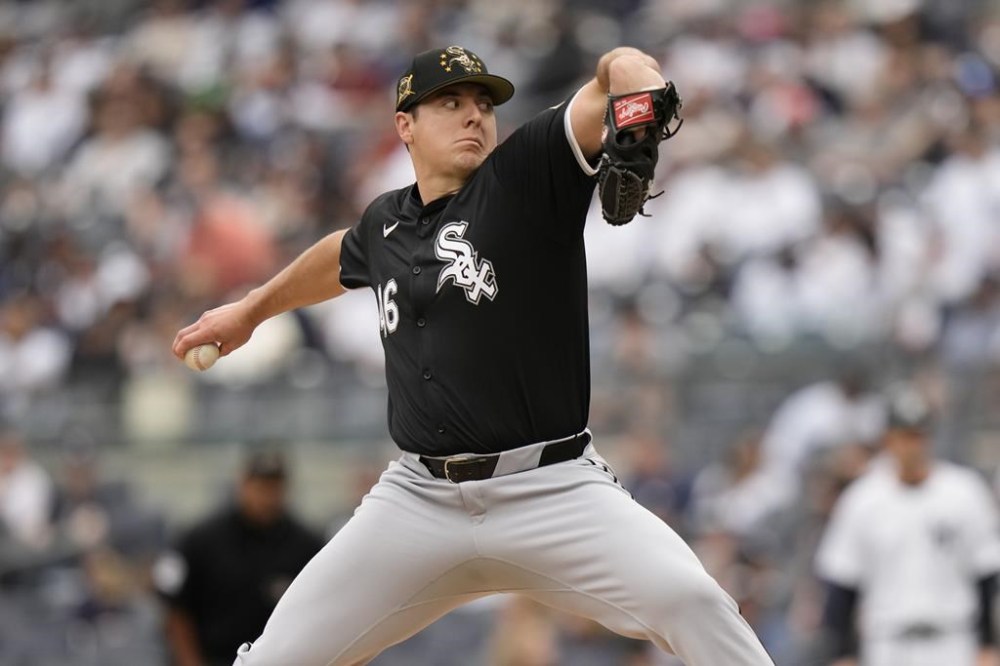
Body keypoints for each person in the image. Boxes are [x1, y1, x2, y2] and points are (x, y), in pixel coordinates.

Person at [173, 44, 774, 665]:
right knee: (273, 660)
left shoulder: (526, 175)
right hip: (417, 502)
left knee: (693, 603)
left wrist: (633, 84)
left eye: (483, 104)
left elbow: (619, 71)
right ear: (404, 125)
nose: (474, 116)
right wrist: (251, 310)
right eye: (450, 103)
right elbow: (340, 255)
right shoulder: (386, 224)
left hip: (551, 488)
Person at [814, 387, 1000, 666]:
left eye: (918, 435)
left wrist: (988, 644)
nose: (912, 445)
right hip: (886, 644)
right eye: (904, 436)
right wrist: (843, 653)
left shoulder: (964, 491)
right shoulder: (862, 499)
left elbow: (986, 575)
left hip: (954, 641)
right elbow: (842, 584)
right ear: (888, 439)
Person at [153, 449, 323, 666]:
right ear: (242, 485)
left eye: (275, 487)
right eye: (260, 487)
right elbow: (176, 610)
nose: (267, 496)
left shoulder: (307, 545)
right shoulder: (201, 539)